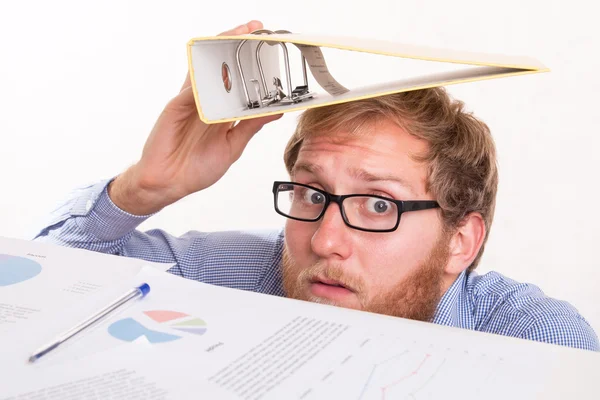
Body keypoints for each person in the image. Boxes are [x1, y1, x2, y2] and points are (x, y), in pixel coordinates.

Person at [35, 20, 598, 351]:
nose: (326, 240)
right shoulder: (235, 271)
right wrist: (144, 190)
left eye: (378, 204)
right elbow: (41, 296)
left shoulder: (537, 340)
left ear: (461, 241)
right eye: (311, 194)